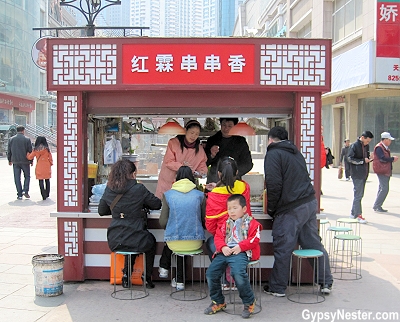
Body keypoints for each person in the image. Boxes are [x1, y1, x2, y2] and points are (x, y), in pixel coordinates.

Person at [263, 126, 333, 297]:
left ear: (270, 140)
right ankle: (325, 282)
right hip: (308, 202)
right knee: (313, 243)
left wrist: (272, 209)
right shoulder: (295, 152)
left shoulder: (273, 153)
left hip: (290, 207)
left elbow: (273, 184)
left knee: (283, 247)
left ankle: (277, 287)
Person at [98, 159, 162, 289]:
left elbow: (102, 211)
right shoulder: (138, 188)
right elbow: (157, 204)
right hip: (136, 237)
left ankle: (126, 276)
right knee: (147, 241)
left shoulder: (109, 189)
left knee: (129, 241)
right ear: (132, 174)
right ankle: (147, 276)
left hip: (115, 239)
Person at [204, 194, 262, 319]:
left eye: (235, 208)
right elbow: (218, 237)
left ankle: (249, 301)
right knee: (211, 273)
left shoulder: (252, 223)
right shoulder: (225, 223)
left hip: (241, 252)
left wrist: (241, 246)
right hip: (225, 251)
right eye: (229, 208)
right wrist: (223, 247)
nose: (231, 211)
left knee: (238, 274)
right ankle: (218, 301)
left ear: (244, 209)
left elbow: (255, 239)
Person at [205, 156, 252, 290]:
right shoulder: (244, 188)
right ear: (237, 172)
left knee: (211, 244)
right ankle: (236, 277)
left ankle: (223, 281)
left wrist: (221, 236)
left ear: (219, 174)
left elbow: (210, 225)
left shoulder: (214, 195)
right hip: (243, 241)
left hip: (223, 242)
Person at [158, 166, 206, 290]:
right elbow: (204, 220)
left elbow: (162, 222)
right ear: (192, 178)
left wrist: (173, 227)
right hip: (196, 241)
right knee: (181, 244)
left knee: (175, 241)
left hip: (174, 242)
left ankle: (164, 267)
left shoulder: (168, 195)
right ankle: (180, 281)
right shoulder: (200, 195)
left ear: (176, 178)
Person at [155, 120, 207, 199]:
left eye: (197, 134)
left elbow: (202, 167)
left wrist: (199, 173)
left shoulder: (199, 149)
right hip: (168, 182)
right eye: (192, 133)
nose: (194, 136)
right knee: (166, 204)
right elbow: (168, 162)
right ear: (185, 131)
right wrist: (182, 166)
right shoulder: (173, 143)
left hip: (187, 185)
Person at [205, 117, 253, 185]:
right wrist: (211, 155)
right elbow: (204, 162)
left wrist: (233, 173)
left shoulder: (241, 141)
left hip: (234, 181)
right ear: (220, 125)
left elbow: (248, 164)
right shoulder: (212, 140)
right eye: (224, 125)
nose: (226, 128)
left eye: (230, 126)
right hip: (214, 180)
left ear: (235, 126)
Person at [348, 131, 374, 224]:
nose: (367, 143)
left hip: (364, 173)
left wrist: (370, 158)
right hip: (357, 173)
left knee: (359, 195)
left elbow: (366, 159)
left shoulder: (366, 146)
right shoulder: (354, 146)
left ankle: (353, 213)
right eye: (367, 141)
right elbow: (350, 158)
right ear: (362, 137)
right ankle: (358, 215)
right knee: (358, 195)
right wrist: (363, 161)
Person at [372, 132, 399, 212]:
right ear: (385, 140)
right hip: (381, 170)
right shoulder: (379, 148)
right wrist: (392, 159)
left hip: (385, 170)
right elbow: (382, 158)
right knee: (384, 189)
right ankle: (377, 205)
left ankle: (377, 206)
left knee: (381, 188)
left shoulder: (384, 148)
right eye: (389, 140)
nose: (390, 142)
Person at [7, 125, 32, 200]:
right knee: (27, 176)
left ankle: (19, 194)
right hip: (25, 161)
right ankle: (25, 190)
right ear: (23, 131)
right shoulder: (27, 139)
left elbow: (9, 151)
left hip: (15, 161)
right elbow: (29, 151)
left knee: (17, 178)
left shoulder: (11, 139)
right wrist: (31, 160)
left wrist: (9, 160)